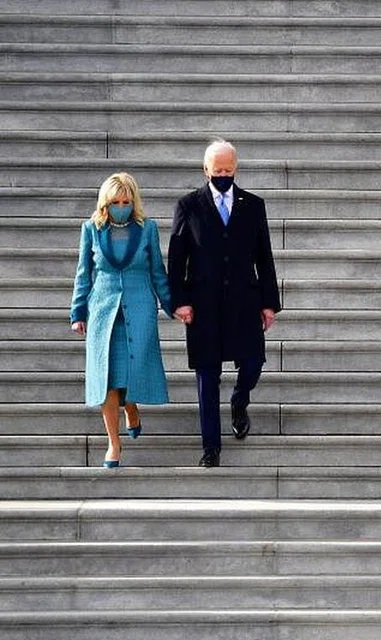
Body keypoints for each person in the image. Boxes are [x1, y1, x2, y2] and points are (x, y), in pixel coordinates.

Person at [167, 139, 281, 468]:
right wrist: (179, 301)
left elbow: (265, 257)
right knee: (206, 376)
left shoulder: (253, 205)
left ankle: (240, 399)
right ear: (206, 170)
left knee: (253, 364)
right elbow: (177, 260)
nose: (222, 175)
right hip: (203, 304)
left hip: (245, 300)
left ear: (236, 169)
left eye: (228, 170)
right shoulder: (188, 205)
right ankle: (211, 448)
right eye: (217, 170)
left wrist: (269, 303)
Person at [69, 172, 173, 468]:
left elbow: (157, 272)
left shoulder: (147, 229)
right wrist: (78, 312)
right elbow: (83, 273)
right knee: (107, 379)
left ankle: (133, 409)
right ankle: (114, 444)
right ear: (106, 202)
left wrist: (172, 306)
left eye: (127, 201)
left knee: (132, 369)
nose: (122, 206)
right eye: (116, 201)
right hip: (103, 312)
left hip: (139, 309)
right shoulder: (91, 229)